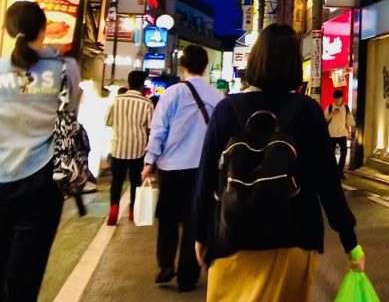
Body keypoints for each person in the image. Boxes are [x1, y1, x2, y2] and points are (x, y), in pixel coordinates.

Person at [195, 24, 365, 301]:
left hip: (232, 237)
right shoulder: (308, 111)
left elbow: (205, 179)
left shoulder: (227, 110)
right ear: (294, 64)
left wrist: (201, 234)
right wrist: (350, 243)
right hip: (294, 238)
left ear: (255, 59)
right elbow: (328, 183)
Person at [0, 1, 81, 300]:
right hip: (43, 178)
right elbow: (71, 112)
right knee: (27, 271)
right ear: (44, 30)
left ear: (8, 31)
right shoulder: (65, 68)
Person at [142, 45, 223, 292]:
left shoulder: (172, 93)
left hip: (172, 167)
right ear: (206, 66)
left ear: (183, 66)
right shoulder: (217, 97)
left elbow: (159, 129)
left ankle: (166, 265)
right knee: (194, 222)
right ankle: (187, 277)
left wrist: (149, 161)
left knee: (167, 219)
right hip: (204, 170)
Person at [105, 70, 154, 226]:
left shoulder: (117, 100)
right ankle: (133, 210)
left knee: (117, 181)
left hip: (118, 147)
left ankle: (114, 209)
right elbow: (151, 127)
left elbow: (108, 121)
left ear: (128, 82)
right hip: (138, 149)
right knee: (135, 181)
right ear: (142, 85)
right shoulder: (147, 103)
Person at [325, 90, 354, 179]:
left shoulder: (346, 108)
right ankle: (332, 170)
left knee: (344, 153)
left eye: (339, 99)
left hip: (342, 134)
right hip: (332, 134)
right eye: (336, 99)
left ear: (342, 98)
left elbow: (349, 121)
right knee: (331, 153)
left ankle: (340, 170)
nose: (337, 101)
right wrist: (332, 114)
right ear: (334, 99)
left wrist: (349, 132)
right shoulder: (330, 107)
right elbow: (325, 119)